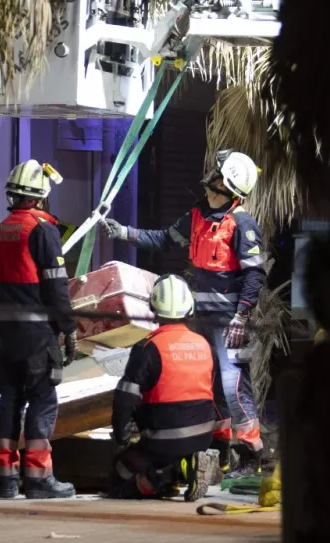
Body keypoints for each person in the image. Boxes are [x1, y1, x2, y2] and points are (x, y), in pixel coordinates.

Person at [104, 149, 266, 477]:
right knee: (212, 386)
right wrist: (124, 233)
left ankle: (252, 454)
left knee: (234, 387)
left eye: (217, 174)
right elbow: (165, 239)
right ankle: (220, 452)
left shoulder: (242, 224)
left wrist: (242, 316)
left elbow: (254, 274)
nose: (210, 176)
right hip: (200, 316)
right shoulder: (197, 216)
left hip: (230, 321)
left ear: (227, 186)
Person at [0, 160, 79, 499]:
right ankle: (39, 480)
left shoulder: (0, 231)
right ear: (41, 196)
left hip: (5, 334)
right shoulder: (42, 230)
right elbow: (56, 287)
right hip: (36, 335)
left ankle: (5, 480)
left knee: (10, 401)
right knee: (42, 399)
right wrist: (69, 328)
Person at [109, 274, 223, 501]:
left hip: (161, 442)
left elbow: (125, 400)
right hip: (203, 439)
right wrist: (223, 448)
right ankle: (186, 467)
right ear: (189, 307)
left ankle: (167, 475)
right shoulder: (205, 346)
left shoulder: (147, 347)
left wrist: (121, 438)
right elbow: (220, 401)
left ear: (154, 307)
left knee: (119, 473)